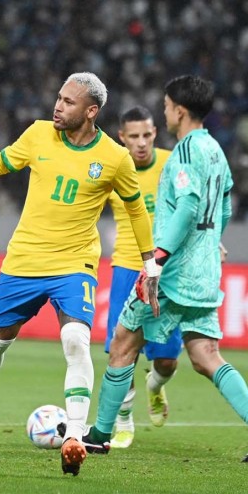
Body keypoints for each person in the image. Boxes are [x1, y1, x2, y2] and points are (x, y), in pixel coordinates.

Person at [0, 72, 161, 476]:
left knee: (76, 339)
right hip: (24, 261)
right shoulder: (37, 134)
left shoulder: (114, 157)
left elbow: (137, 209)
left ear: (91, 111)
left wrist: (148, 263)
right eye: (58, 98)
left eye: (68, 102)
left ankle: (73, 435)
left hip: (75, 265)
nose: (58, 106)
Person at [85, 75, 248, 461]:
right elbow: (223, 208)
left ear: (179, 110)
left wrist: (158, 258)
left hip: (173, 273)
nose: (164, 111)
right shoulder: (215, 151)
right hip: (205, 272)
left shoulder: (187, 151)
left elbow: (189, 205)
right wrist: (208, 244)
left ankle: (100, 434)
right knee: (206, 355)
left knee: (123, 342)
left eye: (165, 106)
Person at [104, 106, 182, 448]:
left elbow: (192, 209)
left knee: (166, 360)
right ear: (122, 137)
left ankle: (155, 386)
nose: (141, 143)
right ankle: (123, 421)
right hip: (126, 266)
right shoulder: (111, 168)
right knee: (122, 351)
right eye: (133, 136)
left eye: (147, 135)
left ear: (155, 134)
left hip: (167, 271)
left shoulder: (172, 163)